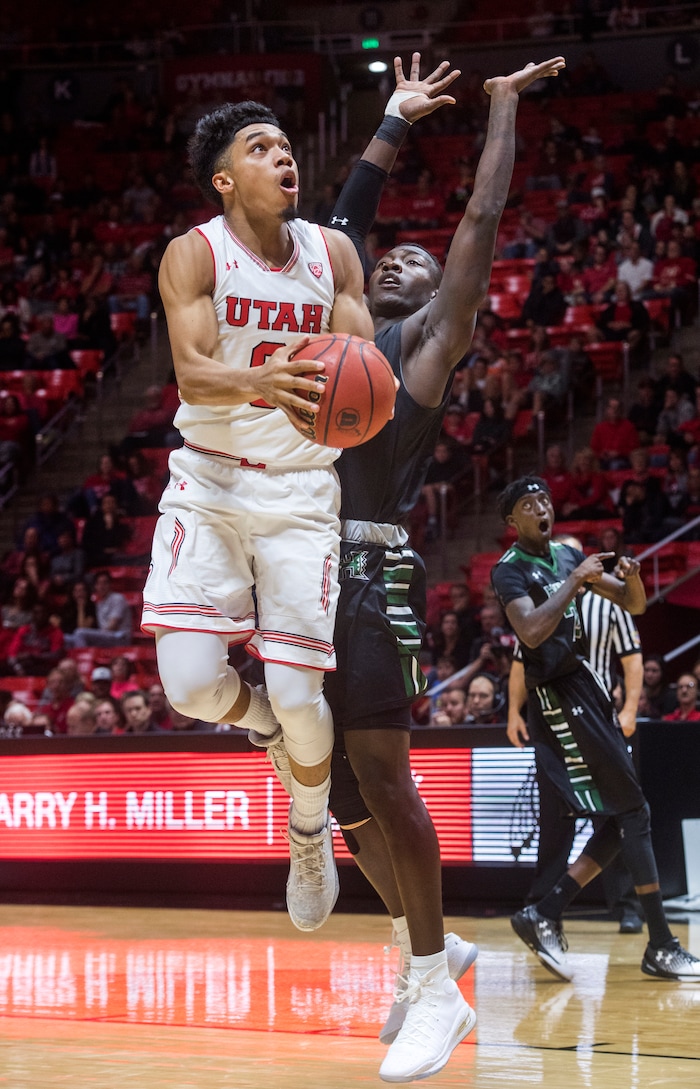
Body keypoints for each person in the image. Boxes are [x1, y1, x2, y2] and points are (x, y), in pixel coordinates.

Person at [302, 53, 563, 1083]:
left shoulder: (420, 345)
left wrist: (497, 113)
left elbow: (475, 230)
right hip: (295, 576)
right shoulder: (333, 332)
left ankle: (428, 985)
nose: (402, 259)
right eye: (388, 257)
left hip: (368, 575)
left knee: (380, 772)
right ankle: (435, 936)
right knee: (328, 800)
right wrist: (391, 125)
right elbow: (337, 238)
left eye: (417, 262)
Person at [139, 92, 373, 935]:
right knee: (194, 686)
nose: (285, 156)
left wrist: (359, 390)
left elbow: (362, 371)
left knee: (307, 695)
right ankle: (263, 723)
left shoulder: (333, 253)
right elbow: (194, 372)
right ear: (225, 180)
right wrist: (261, 382)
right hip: (209, 480)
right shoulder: (193, 256)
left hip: (301, 490)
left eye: (287, 143)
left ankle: (307, 831)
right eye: (262, 147)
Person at [491, 475, 700, 981]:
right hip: (558, 696)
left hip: (587, 689)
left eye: (544, 498)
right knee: (633, 811)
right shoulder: (509, 571)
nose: (541, 506)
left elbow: (634, 604)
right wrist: (576, 579)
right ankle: (661, 943)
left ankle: (545, 912)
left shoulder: (565, 556)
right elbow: (532, 632)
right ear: (512, 522)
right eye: (528, 503)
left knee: (621, 817)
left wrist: (628, 575)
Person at [509, 535, 646, 933]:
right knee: (556, 817)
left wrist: (631, 709)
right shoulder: (540, 608)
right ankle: (542, 905)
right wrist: (513, 712)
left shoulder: (610, 603)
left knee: (619, 814)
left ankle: (627, 904)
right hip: (553, 721)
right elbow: (520, 663)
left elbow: (632, 659)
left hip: (601, 720)